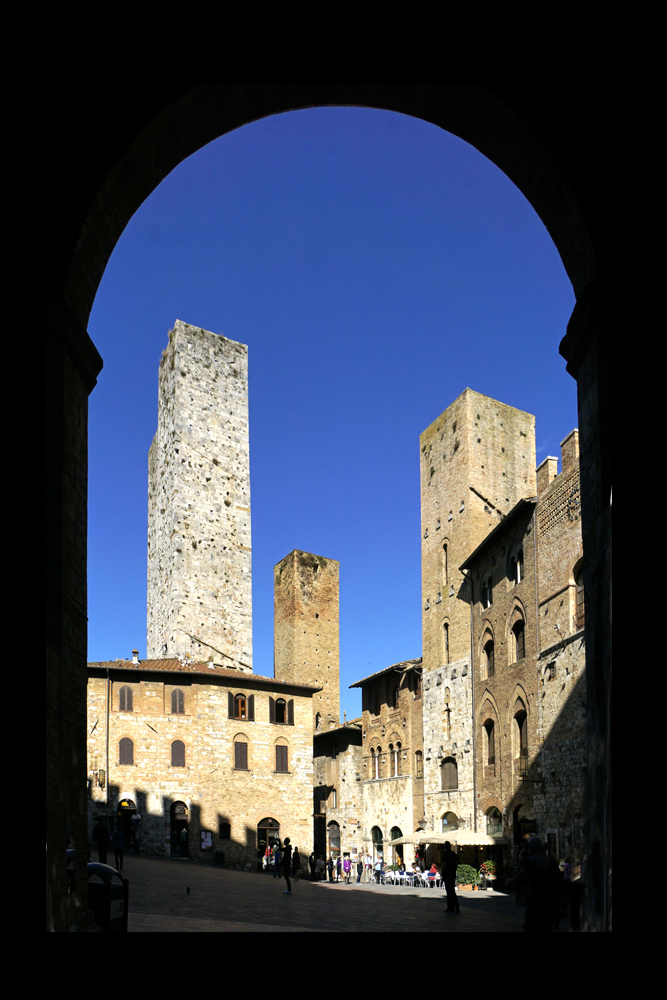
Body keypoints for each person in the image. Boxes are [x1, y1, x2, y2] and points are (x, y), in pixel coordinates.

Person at [507, 836, 563, 932]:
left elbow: (518, 879)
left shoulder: (529, 862)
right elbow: (558, 883)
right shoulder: (552, 863)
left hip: (533, 902)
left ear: (531, 848)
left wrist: (510, 882)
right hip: (549, 903)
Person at [442, 841, 460, 914]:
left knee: (449, 892)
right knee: (452, 891)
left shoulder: (445, 854)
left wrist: (443, 874)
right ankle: (456, 907)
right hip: (452, 875)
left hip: (447, 874)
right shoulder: (453, 854)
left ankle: (450, 907)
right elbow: (456, 864)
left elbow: (444, 865)